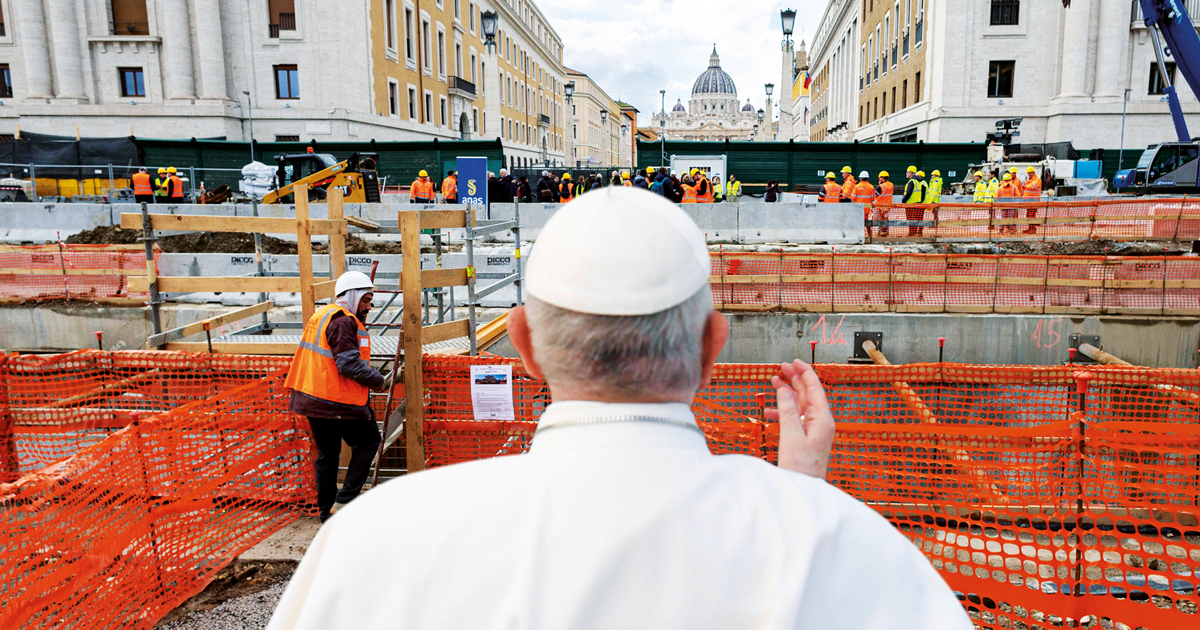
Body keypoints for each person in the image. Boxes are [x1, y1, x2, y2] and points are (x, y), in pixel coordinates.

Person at [266, 188, 974, 630]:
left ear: (524, 347)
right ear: (712, 347)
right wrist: (798, 503)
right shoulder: (847, 546)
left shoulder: (370, 545)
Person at [283, 271, 388, 524]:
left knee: (327, 455)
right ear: (353, 296)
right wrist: (378, 380)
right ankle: (345, 500)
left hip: (313, 400)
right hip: (337, 401)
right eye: (366, 300)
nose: (368, 306)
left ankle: (326, 512)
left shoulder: (322, 315)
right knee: (369, 441)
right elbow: (349, 365)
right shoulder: (343, 321)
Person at [904, 170, 929, 237]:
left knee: (916, 218)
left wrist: (919, 202)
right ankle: (918, 232)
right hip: (920, 203)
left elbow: (922, 195)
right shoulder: (924, 183)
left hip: (918, 204)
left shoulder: (920, 183)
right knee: (919, 218)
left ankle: (915, 232)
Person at [1021, 166, 1043, 235]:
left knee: (1032, 215)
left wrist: (1025, 186)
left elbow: (1033, 186)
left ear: (1033, 172)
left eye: (1030, 173)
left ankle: (1032, 229)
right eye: (1028, 173)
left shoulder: (1037, 179)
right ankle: (1030, 229)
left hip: (1034, 201)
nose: (1029, 174)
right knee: (1029, 215)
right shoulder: (1029, 179)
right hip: (1029, 201)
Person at [874, 170, 894, 237]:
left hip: (880, 206)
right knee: (886, 219)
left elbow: (876, 195)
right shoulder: (891, 185)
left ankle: (881, 233)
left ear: (882, 178)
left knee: (881, 220)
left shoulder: (881, 186)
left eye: (880, 178)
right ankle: (886, 232)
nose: (879, 179)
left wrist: (879, 184)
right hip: (888, 206)